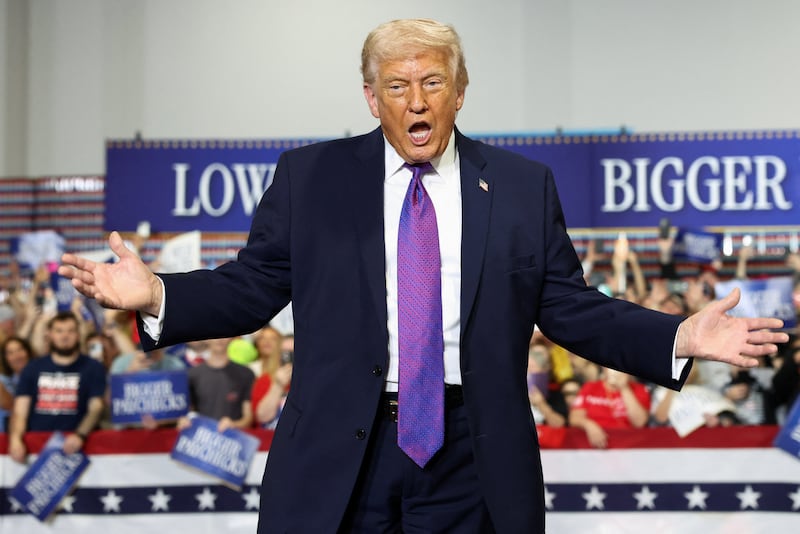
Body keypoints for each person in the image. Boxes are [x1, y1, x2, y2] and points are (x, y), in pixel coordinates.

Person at [58, 18, 787, 534]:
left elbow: (569, 306)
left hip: (474, 455)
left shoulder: (521, 187)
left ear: (460, 91)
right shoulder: (310, 178)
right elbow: (252, 286)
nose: (416, 100)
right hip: (342, 453)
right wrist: (159, 293)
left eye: (433, 81)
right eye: (398, 85)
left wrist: (678, 336)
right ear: (370, 97)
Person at [7, 311, 106, 463]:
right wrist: (15, 439)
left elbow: (96, 407)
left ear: (78, 334)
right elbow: (20, 411)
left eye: (70, 331)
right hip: (36, 447)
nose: (65, 336)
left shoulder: (93, 367)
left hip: (80, 446)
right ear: (49, 335)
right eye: (59, 331)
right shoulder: (33, 368)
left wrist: (80, 434)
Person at [176, 337, 254, 431]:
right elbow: (188, 413)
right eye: (215, 335)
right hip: (202, 435)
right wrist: (184, 421)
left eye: (224, 335)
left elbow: (248, 418)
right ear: (206, 339)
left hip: (233, 436)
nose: (219, 339)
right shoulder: (192, 375)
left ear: (231, 338)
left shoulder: (245, 374)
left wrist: (233, 424)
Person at [568, 367, 651, 448]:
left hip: (628, 446)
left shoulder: (639, 389)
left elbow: (640, 423)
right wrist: (589, 425)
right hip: (595, 446)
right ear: (604, 369)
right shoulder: (590, 387)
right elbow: (574, 418)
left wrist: (624, 388)